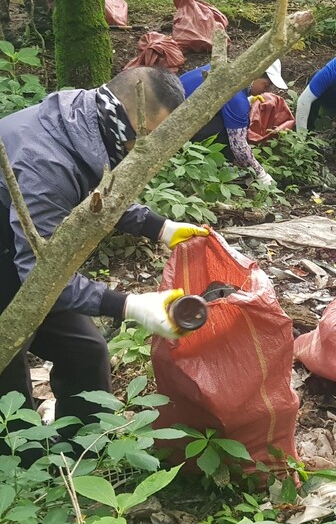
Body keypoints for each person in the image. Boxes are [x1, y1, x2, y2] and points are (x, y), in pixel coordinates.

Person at [0, 66, 209, 432]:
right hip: (16, 250)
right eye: (145, 138)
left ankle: (86, 448)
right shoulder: (46, 162)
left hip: (22, 242)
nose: (146, 150)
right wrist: (128, 305)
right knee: (8, 364)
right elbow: (42, 274)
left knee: (86, 350)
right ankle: (24, 468)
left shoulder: (85, 119)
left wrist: (159, 227)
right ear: (125, 123)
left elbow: (99, 189)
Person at [180, 60, 288, 188]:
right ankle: (216, 170)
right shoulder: (236, 97)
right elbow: (239, 145)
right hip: (179, 130)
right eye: (266, 85)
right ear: (255, 74)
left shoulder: (223, 67)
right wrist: (261, 174)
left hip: (171, 116)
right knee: (227, 131)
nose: (266, 91)